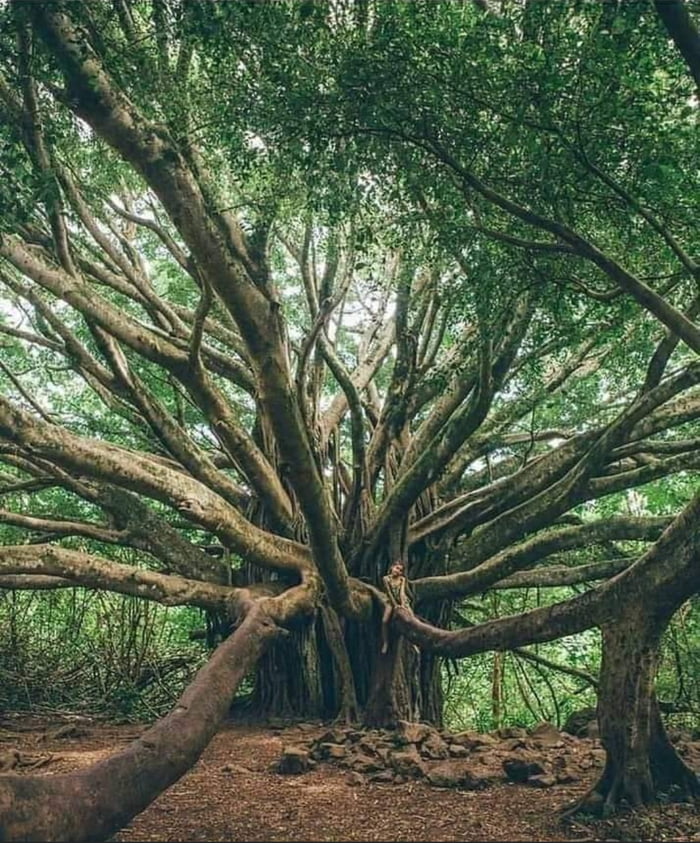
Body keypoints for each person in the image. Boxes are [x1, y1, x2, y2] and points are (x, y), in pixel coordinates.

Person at [380, 560, 413, 654]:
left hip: (402, 600)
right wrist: (395, 606)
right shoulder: (386, 579)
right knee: (384, 620)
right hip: (390, 602)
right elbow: (389, 593)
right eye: (396, 568)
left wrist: (402, 605)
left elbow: (402, 593)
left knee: (411, 619)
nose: (397, 571)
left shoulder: (402, 579)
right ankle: (385, 642)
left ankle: (413, 643)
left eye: (400, 570)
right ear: (391, 567)